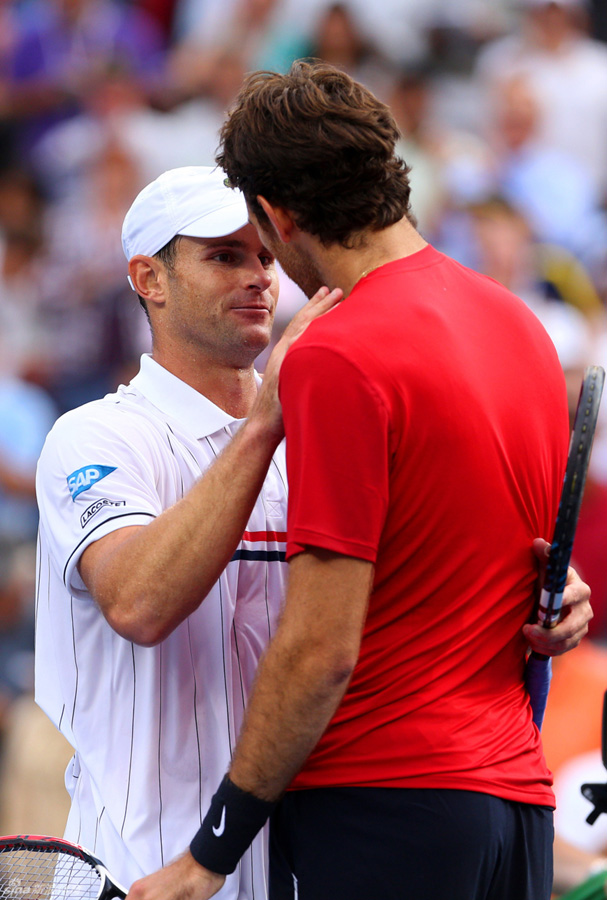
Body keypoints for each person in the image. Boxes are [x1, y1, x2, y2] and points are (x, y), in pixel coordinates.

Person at [126, 62, 596, 900]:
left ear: (277, 214)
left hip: (387, 809)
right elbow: (513, 565)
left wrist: (210, 854)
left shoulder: (337, 355)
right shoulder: (520, 326)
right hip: (514, 806)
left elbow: (319, 650)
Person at [34, 164, 343, 896]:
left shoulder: (324, 433)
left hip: (306, 868)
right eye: (224, 255)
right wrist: (266, 422)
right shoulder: (94, 438)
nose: (259, 277)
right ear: (150, 278)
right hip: (139, 871)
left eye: (266, 256)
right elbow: (141, 603)